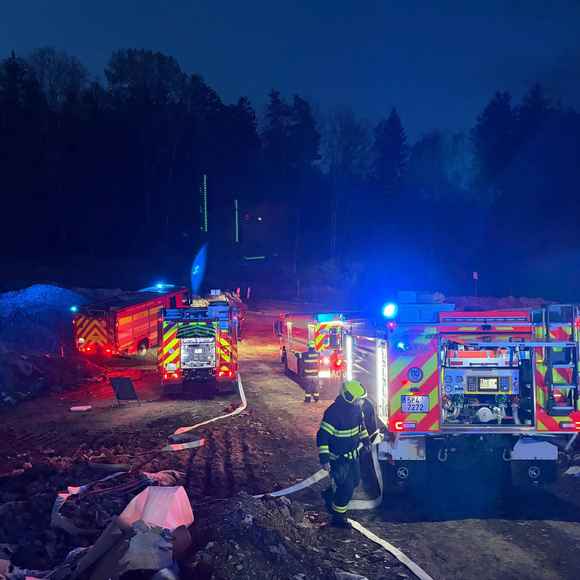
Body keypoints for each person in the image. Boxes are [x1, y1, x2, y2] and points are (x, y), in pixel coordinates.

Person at [316, 379, 370, 527]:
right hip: (338, 459)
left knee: (355, 482)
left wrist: (366, 441)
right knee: (346, 488)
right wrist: (325, 459)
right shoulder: (333, 413)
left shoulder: (357, 410)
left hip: (352, 457)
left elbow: (361, 427)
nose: (361, 402)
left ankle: (330, 495)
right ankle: (338, 518)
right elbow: (322, 437)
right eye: (359, 400)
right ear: (348, 397)